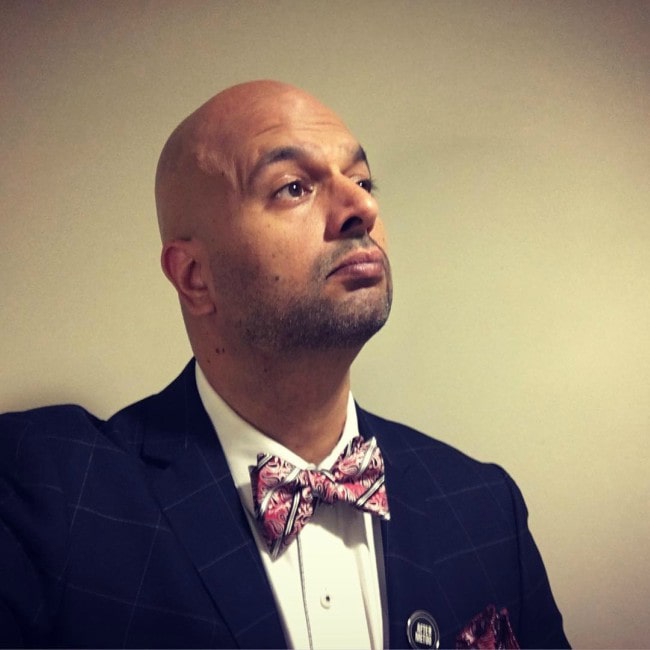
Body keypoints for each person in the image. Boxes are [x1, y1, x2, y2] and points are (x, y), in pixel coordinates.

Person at [0, 80, 569, 649]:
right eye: (293, 188)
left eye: (363, 181)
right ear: (195, 277)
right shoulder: (48, 488)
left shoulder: (484, 508)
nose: (363, 208)